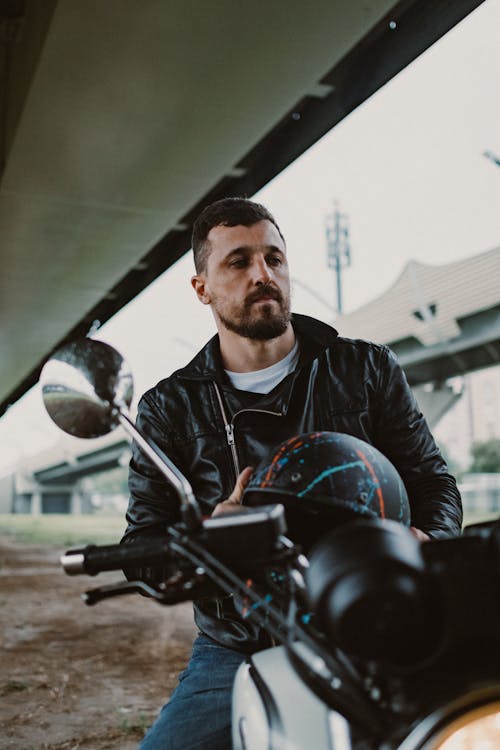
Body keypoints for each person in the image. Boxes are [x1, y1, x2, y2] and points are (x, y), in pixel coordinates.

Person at [122, 197, 462, 749]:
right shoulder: (168, 407)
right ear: (201, 287)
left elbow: (432, 481)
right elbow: (142, 543)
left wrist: (429, 539)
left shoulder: (365, 367)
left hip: (376, 616)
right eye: (238, 262)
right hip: (241, 642)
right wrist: (212, 536)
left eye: (274, 258)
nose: (263, 274)